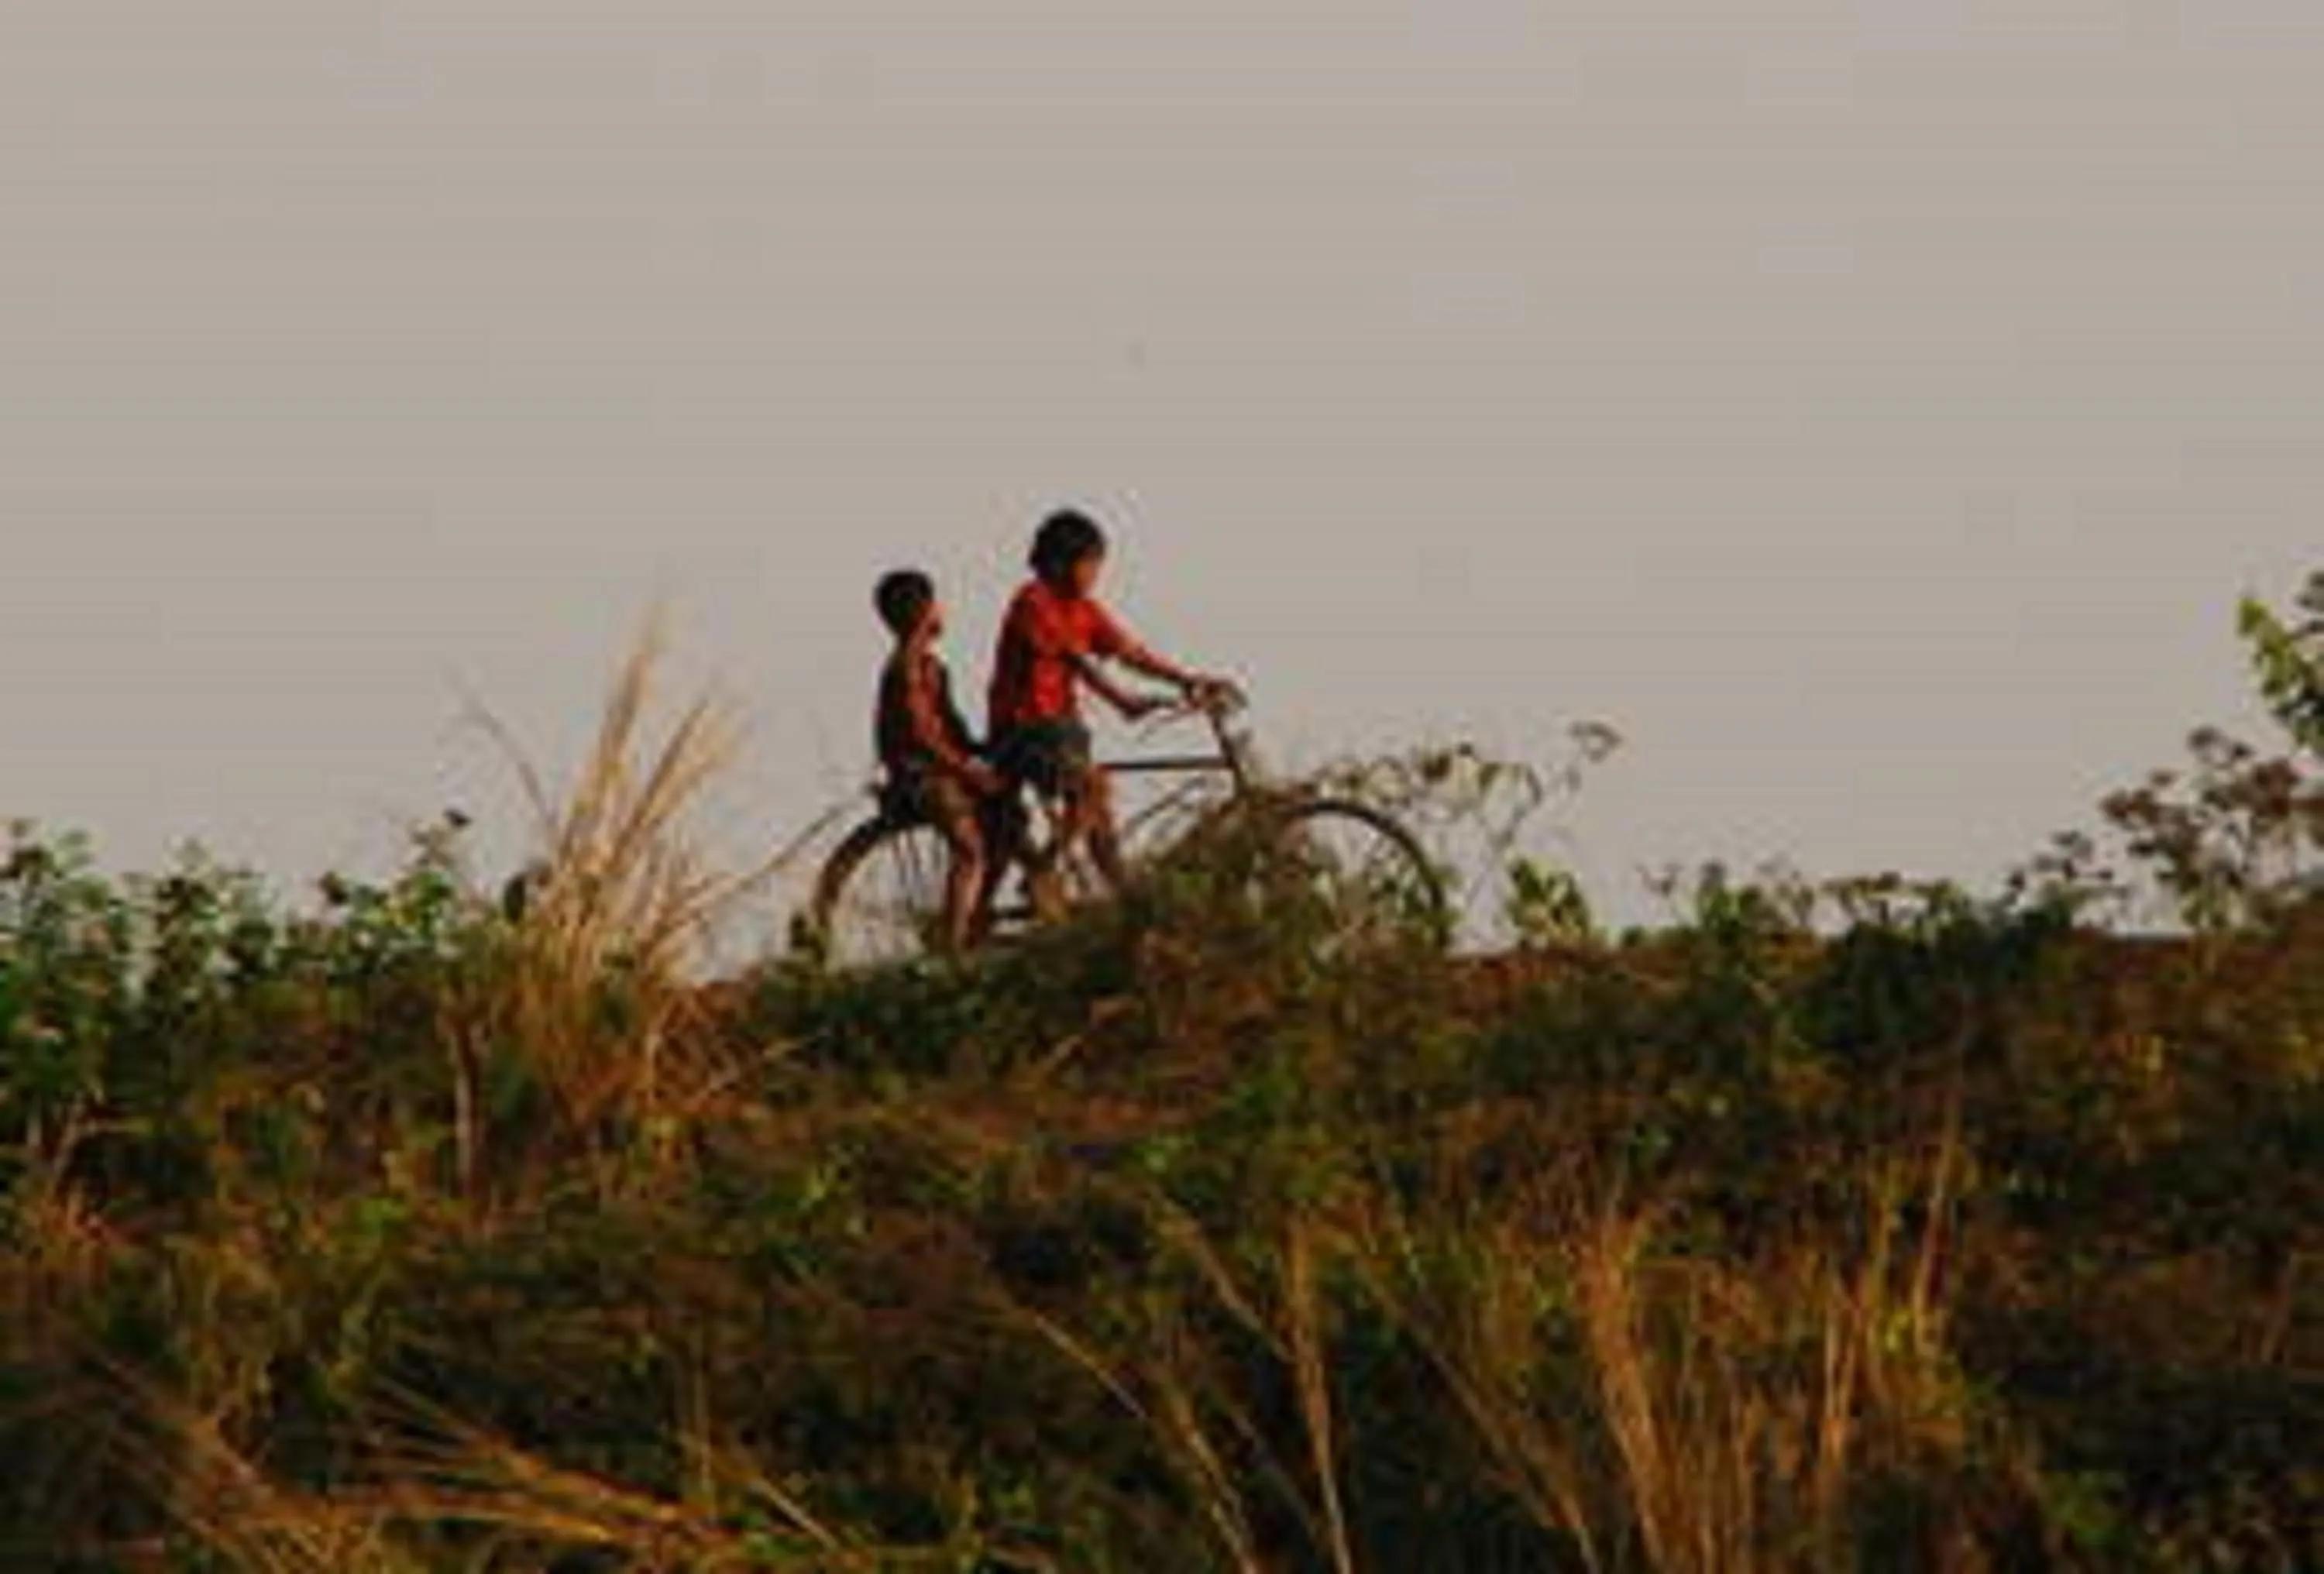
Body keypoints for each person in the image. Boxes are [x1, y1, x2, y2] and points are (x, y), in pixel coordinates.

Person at [986, 510, 1236, 893]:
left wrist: (1187, 681)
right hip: (1025, 730)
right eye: (1090, 565)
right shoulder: (1033, 601)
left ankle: (1126, 903)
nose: (1095, 575)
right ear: (1059, 562)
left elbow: (1128, 652)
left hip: (1061, 730)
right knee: (1094, 790)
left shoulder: (1083, 608)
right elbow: (1075, 659)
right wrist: (1121, 701)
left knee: (1101, 823)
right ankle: (1042, 873)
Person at [871, 569, 1009, 954]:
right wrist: (968, 770)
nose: (942, 610)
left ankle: (976, 914)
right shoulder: (908, 668)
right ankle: (952, 947)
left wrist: (983, 750)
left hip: (942, 769)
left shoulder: (931, 667)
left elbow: (953, 725)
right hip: (920, 776)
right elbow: (922, 736)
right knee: (969, 850)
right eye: (936, 603)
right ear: (924, 612)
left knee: (1007, 817)